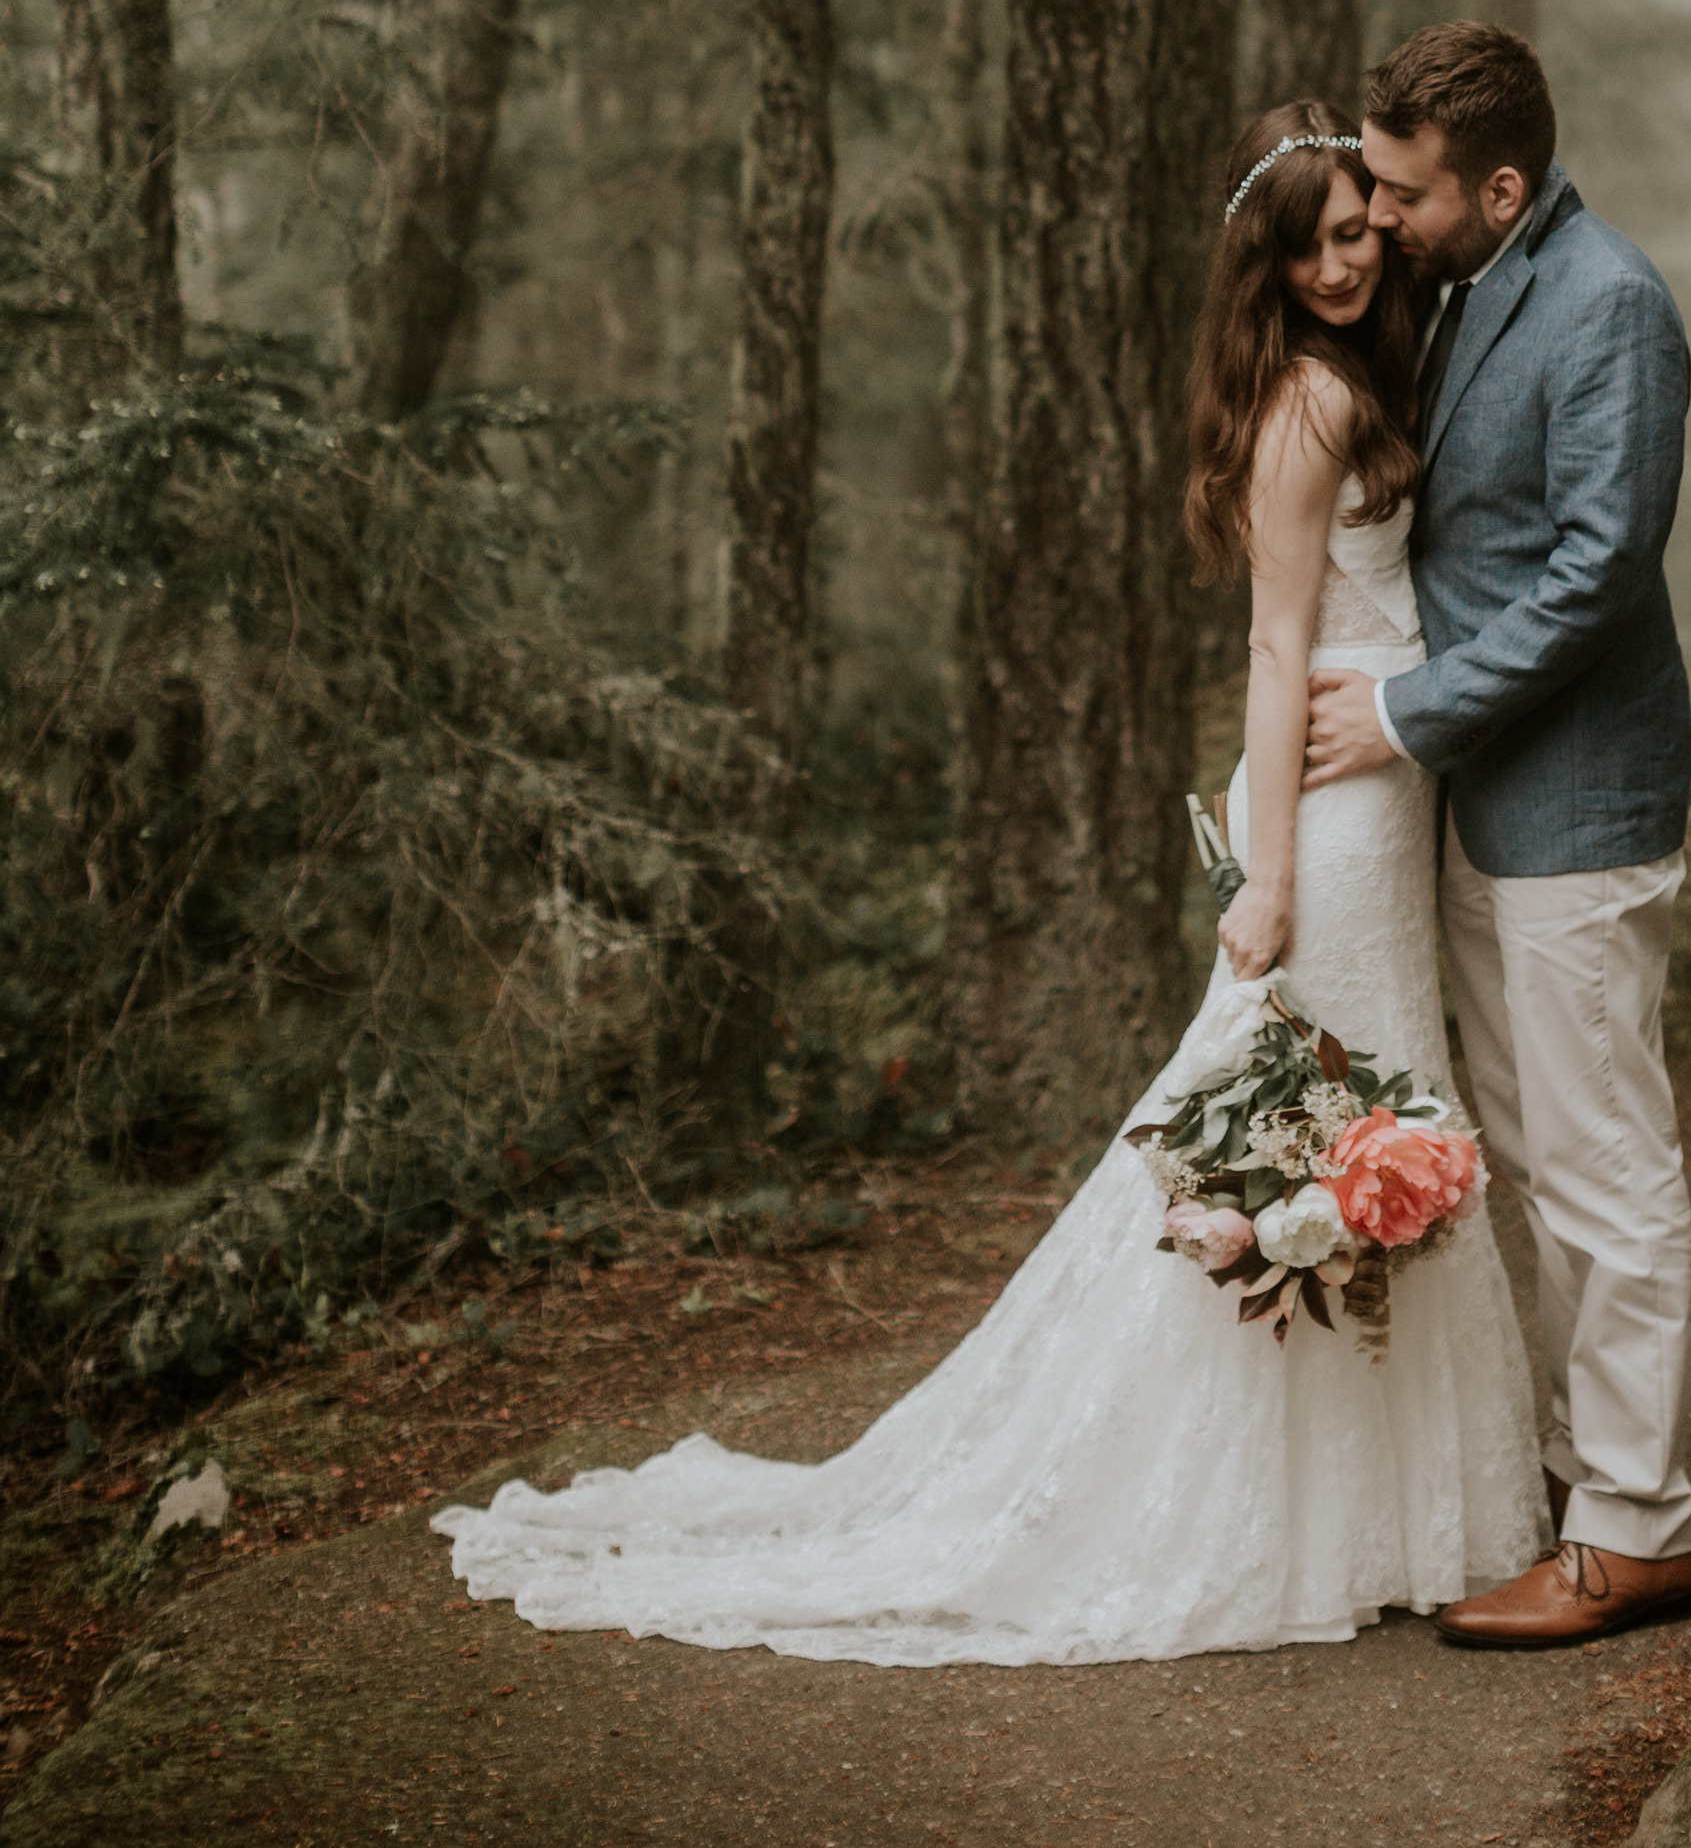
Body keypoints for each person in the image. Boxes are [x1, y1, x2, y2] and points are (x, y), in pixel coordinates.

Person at [432, 97, 1545, 1665]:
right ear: (1271, 262)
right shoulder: (1304, 403)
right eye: (1323, 243)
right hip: (1334, 804)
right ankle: (1245, 1492)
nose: (1357, 258)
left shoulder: (1358, 364)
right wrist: (1267, 878)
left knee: (1360, 1111)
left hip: (1388, 776)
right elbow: (1277, 645)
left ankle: (1390, 1499)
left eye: (1365, 227)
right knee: (1310, 1116)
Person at [1302, 17, 1691, 1648]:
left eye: (1404, 189)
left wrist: (1403, 715)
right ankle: (1577, 1465)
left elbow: (1595, 575)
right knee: (1538, 1156)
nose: (1382, 215)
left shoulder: (1613, 305)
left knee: (1606, 1170)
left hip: (1580, 804)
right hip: (1491, 804)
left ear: (1505, 182)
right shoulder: (1472, 283)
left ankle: (1636, 1529)